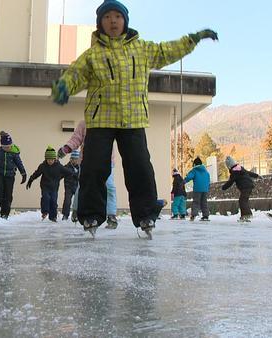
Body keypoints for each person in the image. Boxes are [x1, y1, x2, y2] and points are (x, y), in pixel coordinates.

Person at [51, 0, 218, 237]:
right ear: (100, 23)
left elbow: (167, 50)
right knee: (93, 169)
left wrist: (192, 39)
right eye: (107, 17)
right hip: (101, 120)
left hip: (133, 119)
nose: (112, 21)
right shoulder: (92, 56)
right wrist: (64, 87)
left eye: (117, 17)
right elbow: (75, 75)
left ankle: (146, 214)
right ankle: (90, 215)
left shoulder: (142, 49)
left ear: (125, 21)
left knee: (140, 168)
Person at [58, 120, 119, 228]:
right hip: (87, 161)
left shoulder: (110, 121)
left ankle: (111, 214)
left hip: (106, 161)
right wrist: (67, 148)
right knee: (83, 185)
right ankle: (77, 209)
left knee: (110, 187)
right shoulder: (84, 123)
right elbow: (76, 138)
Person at [26, 146, 75, 222]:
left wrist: (73, 174)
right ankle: (45, 212)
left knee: (54, 201)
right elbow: (36, 173)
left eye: (51, 159)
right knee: (46, 198)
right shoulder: (43, 166)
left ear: (54, 159)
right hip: (45, 186)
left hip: (54, 188)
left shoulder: (59, 166)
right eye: (48, 159)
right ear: (46, 159)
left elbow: (68, 172)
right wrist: (30, 180)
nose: (50, 161)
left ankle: (53, 217)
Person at [0, 131, 27, 219]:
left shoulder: (14, 153)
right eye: (6, 147)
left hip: (10, 176)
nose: (8, 148)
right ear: (2, 146)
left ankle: (5, 214)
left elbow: (19, 163)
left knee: (8, 194)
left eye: (9, 146)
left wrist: (23, 173)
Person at [221, 156, 259, 222]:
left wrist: (223, 187)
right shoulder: (240, 168)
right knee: (243, 200)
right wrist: (257, 175)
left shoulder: (234, 172)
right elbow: (249, 173)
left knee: (242, 201)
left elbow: (230, 182)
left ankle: (246, 215)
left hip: (245, 187)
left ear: (228, 165)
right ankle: (246, 215)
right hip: (249, 185)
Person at [184, 157, 211, 221]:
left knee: (196, 202)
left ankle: (193, 215)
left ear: (195, 164)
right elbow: (208, 179)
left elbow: (189, 177)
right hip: (205, 189)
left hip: (197, 189)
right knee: (204, 202)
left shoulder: (195, 170)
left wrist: (184, 181)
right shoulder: (206, 171)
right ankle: (206, 216)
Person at [61, 150, 81, 221]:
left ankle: (77, 215)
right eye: (74, 159)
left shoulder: (80, 168)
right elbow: (61, 174)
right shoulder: (66, 167)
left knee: (79, 201)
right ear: (71, 159)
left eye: (77, 159)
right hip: (68, 186)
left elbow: (80, 176)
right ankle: (65, 215)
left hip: (77, 187)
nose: (75, 161)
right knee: (67, 200)